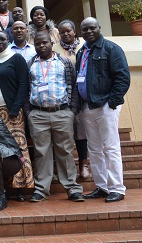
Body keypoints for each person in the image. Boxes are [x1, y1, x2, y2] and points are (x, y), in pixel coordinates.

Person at [24, 31, 84, 203]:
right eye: (38, 44)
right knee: (41, 153)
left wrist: (71, 111)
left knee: (65, 151)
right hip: (38, 114)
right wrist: (29, 112)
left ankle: (72, 188)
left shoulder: (63, 62)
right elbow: (26, 89)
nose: (41, 46)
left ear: (51, 43)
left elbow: (73, 86)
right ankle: (42, 189)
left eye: (44, 43)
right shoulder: (30, 64)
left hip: (62, 112)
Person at [78, 17, 130, 203]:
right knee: (94, 149)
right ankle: (102, 186)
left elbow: (123, 77)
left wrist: (113, 102)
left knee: (110, 147)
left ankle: (117, 188)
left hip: (106, 105)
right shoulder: (81, 52)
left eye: (92, 28)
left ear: (99, 28)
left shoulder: (111, 48)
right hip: (88, 107)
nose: (89, 31)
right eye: (85, 29)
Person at [0, 31, 34, 201]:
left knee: (18, 147)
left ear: (8, 41)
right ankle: (5, 187)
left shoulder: (17, 59)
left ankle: (22, 187)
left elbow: (23, 84)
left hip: (13, 111)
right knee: (1, 149)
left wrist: (16, 107)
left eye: (2, 39)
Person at [53, 19, 90, 180]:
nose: (66, 34)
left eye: (69, 31)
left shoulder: (85, 47)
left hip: (82, 96)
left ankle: (83, 164)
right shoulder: (54, 49)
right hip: (62, 96)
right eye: (62, 32)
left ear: (75, 31)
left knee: (81, 133)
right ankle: (61, 168)